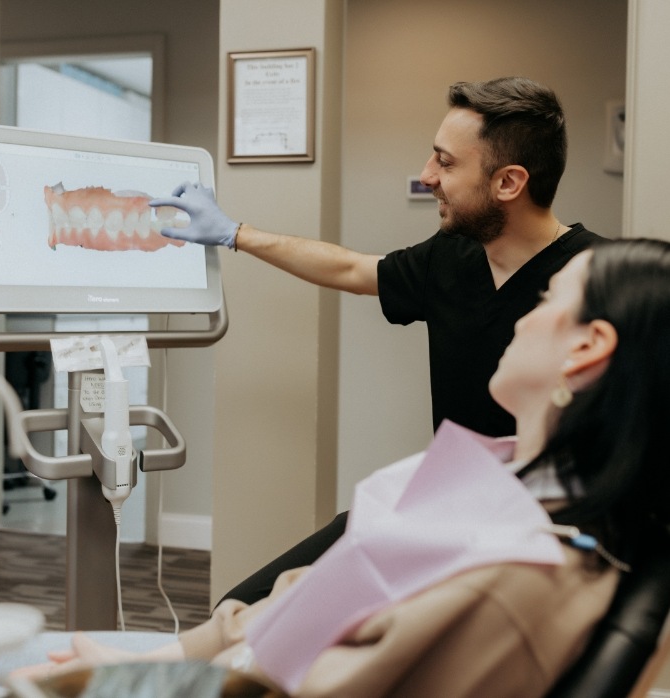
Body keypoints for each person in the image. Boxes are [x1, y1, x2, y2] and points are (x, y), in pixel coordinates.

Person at [16, 239, 670, 697]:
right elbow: (335, 588)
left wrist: (135, 686)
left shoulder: (515, 579)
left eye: (548, 299)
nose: (523, 319)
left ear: (586, 346)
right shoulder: (512, 482)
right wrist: (171, 657)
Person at [151, 76, 606, 606]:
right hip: (441, 508)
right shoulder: (451, 257)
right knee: (245, 606)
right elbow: (349, 267)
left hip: (531, 540)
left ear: (508, 183)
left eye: (446, 162)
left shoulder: (598, 282)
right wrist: (234, 232)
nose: (427, 175)